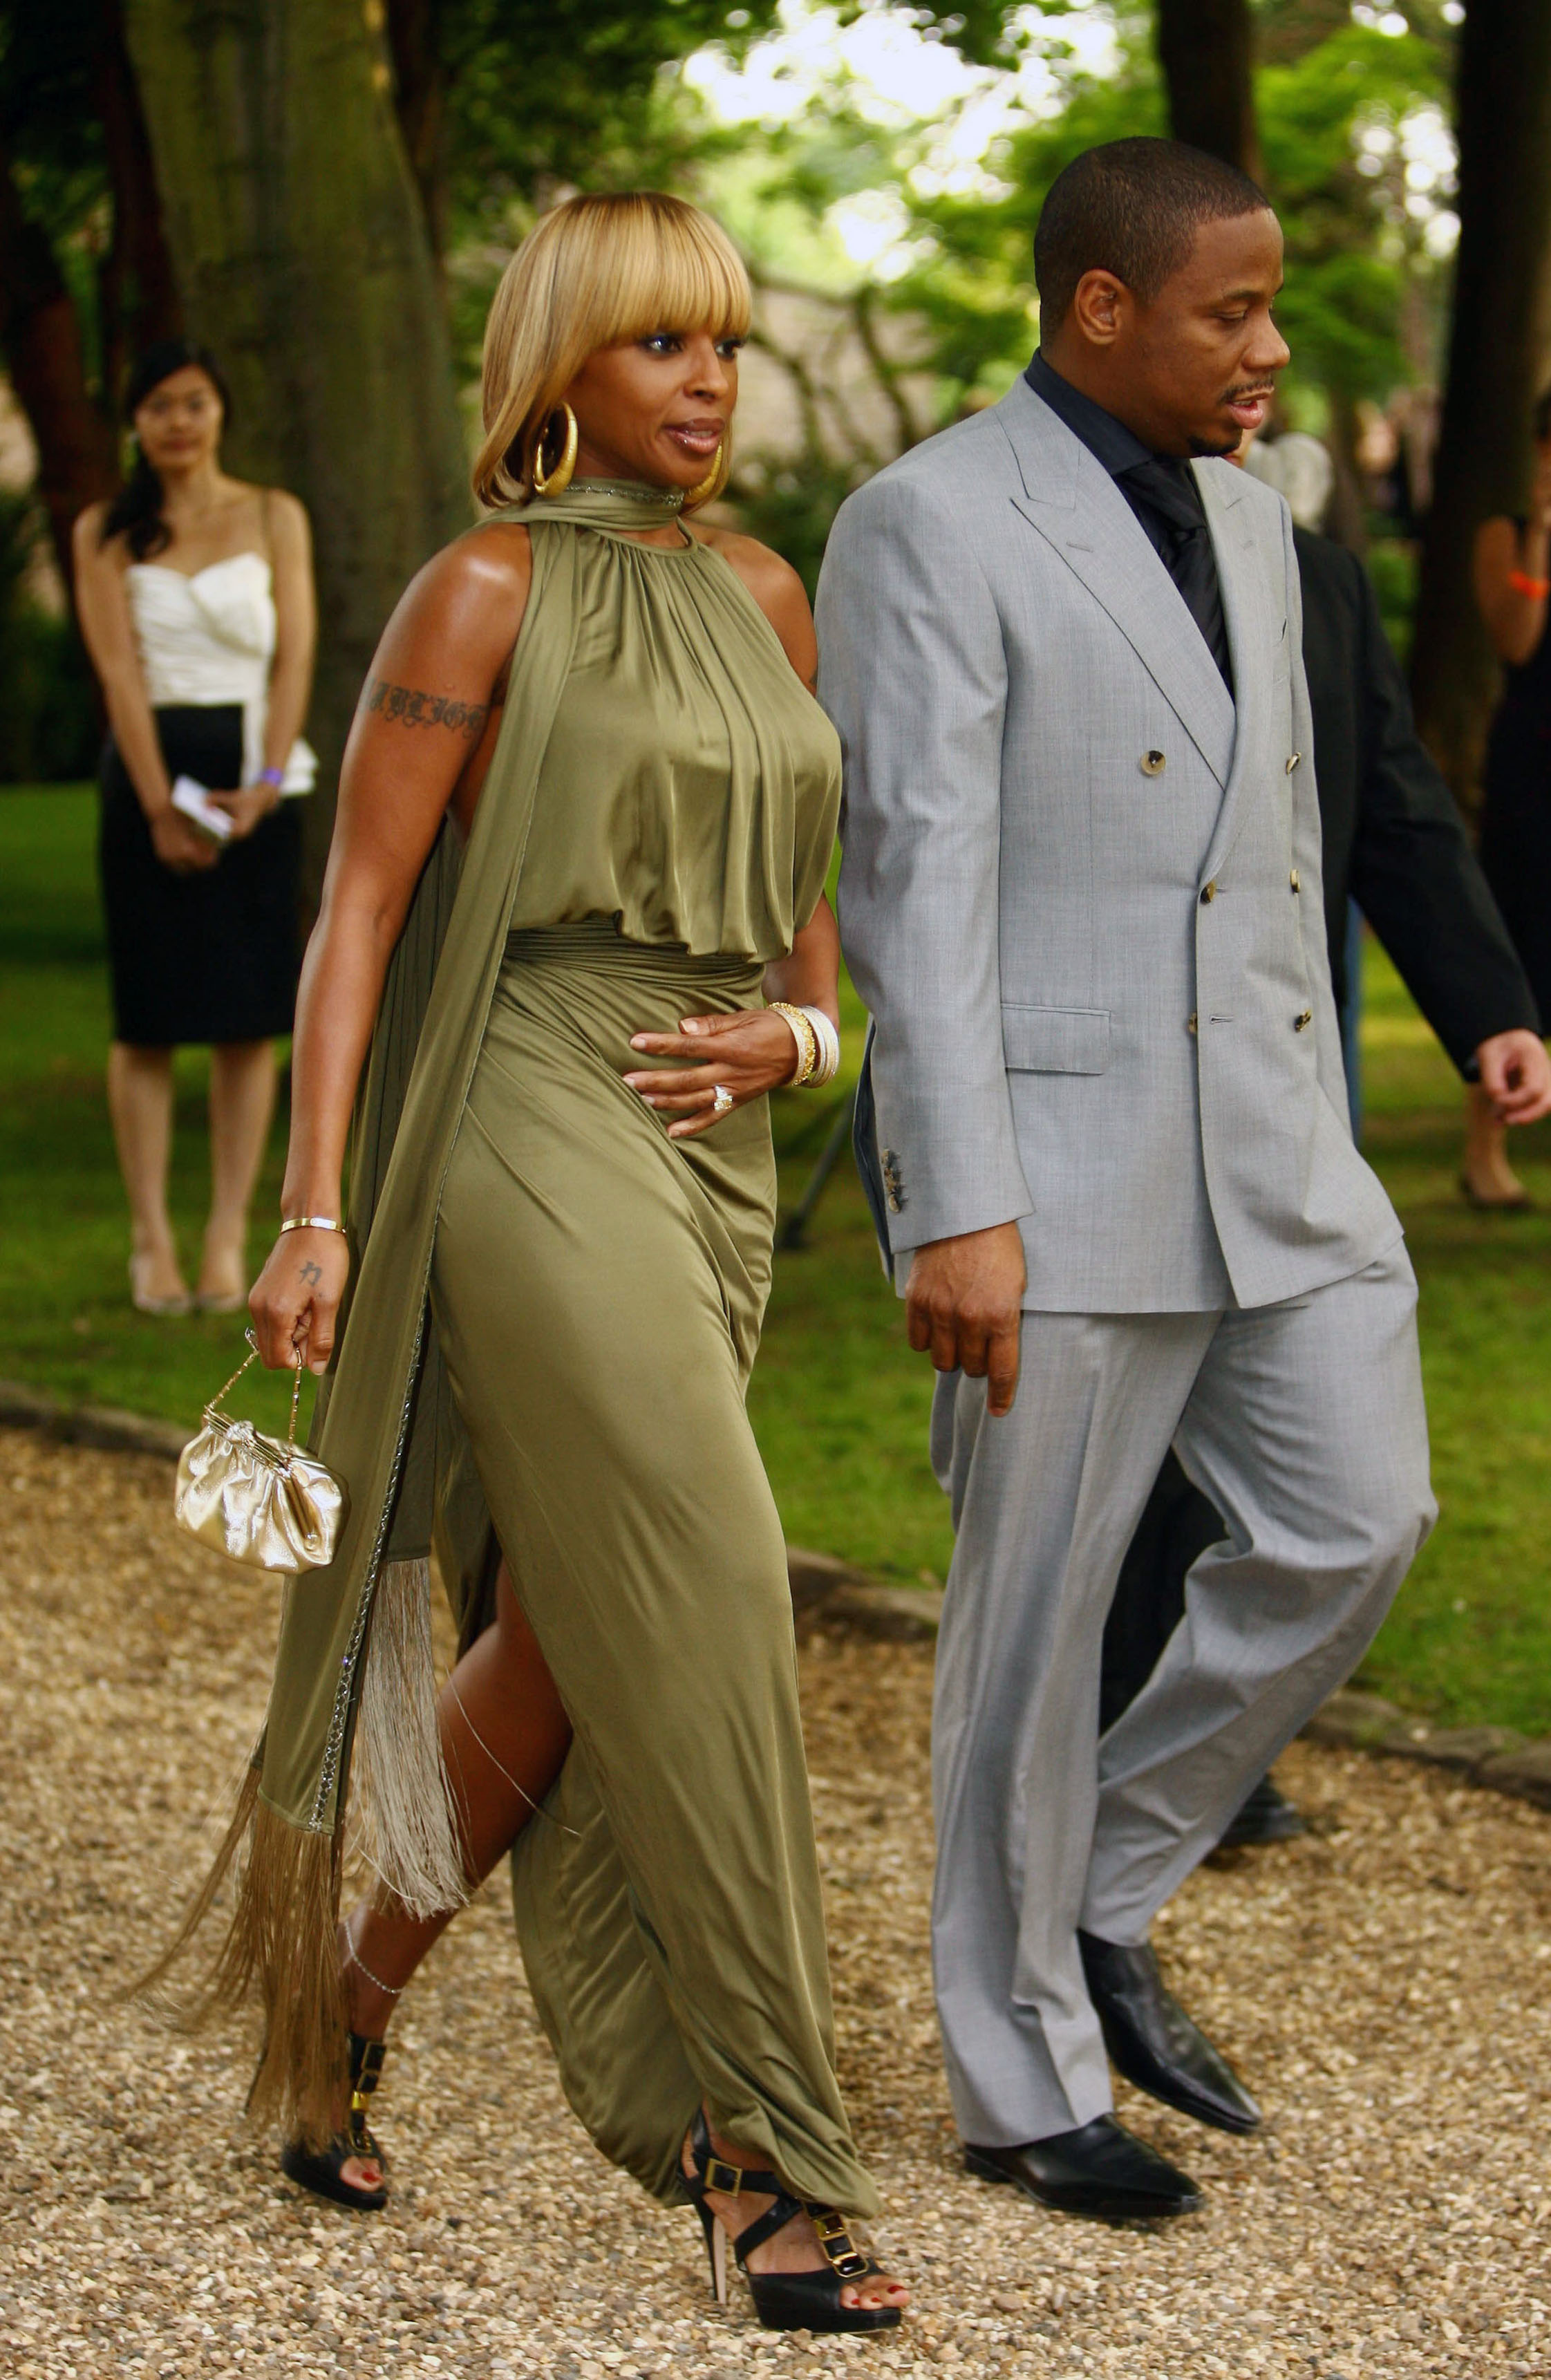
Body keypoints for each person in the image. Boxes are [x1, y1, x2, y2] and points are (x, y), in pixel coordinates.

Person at [154, 194, 905, 2336]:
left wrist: (805, 1039)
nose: (709, 379)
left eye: (725, 342)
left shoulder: (765, 590)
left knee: (578, 1625)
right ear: (561, 366)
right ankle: (759, 2144)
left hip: (715, 1145)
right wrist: (314, 1210)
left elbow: (805, 896)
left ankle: (343, 1994)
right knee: (713, 1592)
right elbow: (359, 911)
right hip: (525, 1109)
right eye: (660, 342)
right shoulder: (482, 588)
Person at [818, 138, 1436, 2227]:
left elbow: (1280, 848)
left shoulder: (1259, 522)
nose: (1267, 349)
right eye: (1228, 312)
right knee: (1030, 1634)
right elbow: (916, 886)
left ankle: (1098, 1886)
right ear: (1100, 307)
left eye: (1267, 309)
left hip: (1280, 1155)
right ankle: (1019, 2083)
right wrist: (954, 1201)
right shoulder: (925, 521)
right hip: (1054, 1170)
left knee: (1355, 1519)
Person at [1104, 437, 1551, 1847]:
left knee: (1332, 1478)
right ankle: (1103, 1751)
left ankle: (1188, 1764)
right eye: (1225, 330)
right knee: (1120, 1457)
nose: (1262, 360)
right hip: (1100, 1091)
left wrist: (1490, 1008)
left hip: (1286, 1072)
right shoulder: (1047, 557)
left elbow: (1398, 801)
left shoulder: (1322, 580)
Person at [73, 340, 317, 1315]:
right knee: (149, 1016)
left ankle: (225, 1235)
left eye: (195, 403)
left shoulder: (274, 514)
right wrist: (157, 806)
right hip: (151, 768)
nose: (178, 422)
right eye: (159, 406)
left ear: (221, 411)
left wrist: (266, 780)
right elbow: (119, 672)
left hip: (257, 770)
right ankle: (151, 1239)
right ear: (135, 422)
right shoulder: (106, 530)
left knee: (246, 1018)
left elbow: (295, 655)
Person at [1467, 384, 1551, 1207]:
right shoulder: (1507, 534)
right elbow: (1517, 640)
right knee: (1520, 939)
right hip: (1534, 762)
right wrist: (1543, 537)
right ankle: (1484, 1153)